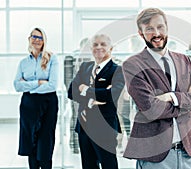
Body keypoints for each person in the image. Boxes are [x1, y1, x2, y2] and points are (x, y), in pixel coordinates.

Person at [122, 8, 191, 169]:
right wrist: (187, 99)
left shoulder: (183, 60)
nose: (156, 33)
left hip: (187, 151)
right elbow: (151, 109)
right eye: (149, 29)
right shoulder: (132, 65)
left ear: (167, 27)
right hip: (154, 156)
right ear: (141, 33)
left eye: (160, 27)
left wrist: (173, 97)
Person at [67, 33, 124, 169]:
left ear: (111, 48)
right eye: (95, 44)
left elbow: (110, 96)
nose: (99, 47)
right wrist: (91, 101)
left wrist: (85, 89)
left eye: (103, 44)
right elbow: (71, 92)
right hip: (84, 126)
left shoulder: (118, 70)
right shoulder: (85, 67)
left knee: (108, 164)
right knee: (88, 165)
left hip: (104, 127)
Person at [13, 27, 59, 169]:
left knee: (45, 139)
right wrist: (38, 83)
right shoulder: (23, 62)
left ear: (44, 41)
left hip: (47, 102)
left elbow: (52, 85)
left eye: (40, 38)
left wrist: (28, 86)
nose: (37, 40)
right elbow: (17, 86)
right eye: (34, 37)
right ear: (29, 39)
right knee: (30, 139)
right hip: (28, 104)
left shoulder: (52, 58)